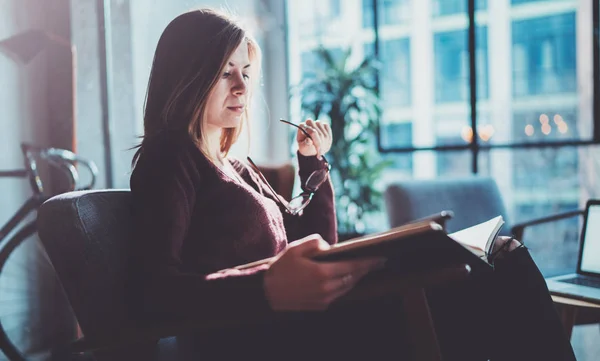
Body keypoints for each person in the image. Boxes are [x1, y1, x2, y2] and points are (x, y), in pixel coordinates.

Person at [127, 8, 576, 361]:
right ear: (188, 75)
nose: (243, 86)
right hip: (270, 341)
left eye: (246, 71)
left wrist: (311, 164)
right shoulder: (171, 157)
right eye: (226, 72)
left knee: (500, 257)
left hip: (306, 325)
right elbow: (155, 291)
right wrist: (264, 285)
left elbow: (317, 241)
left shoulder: (236, 167)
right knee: (489, 283)